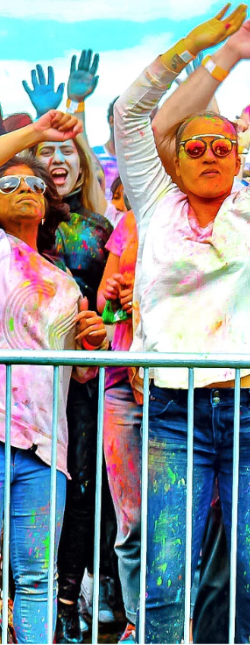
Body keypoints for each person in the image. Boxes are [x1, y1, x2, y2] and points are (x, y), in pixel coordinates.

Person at [113, 0, 250, 642]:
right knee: (165, 580)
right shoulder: (154, 205)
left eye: (221, 147)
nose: (208, 155)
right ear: (174, 162)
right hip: (172, 414)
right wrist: (207, 47)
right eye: (195, 147)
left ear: (239, 158)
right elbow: (129, 114)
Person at [0, 110, 106, 644]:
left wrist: (94, 342)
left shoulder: (64, 284)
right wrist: (36, 135)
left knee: (37, 576)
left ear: (47, 205)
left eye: (34, 185)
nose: (24, 190)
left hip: (45, 448)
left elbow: (80, 372)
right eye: (8, 184)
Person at [33, 109, 113, 643]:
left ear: (83, 168)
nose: (58, 160)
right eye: (47, 151)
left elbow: (116, 302)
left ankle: (67, 602)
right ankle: (27, 597)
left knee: (83, 488)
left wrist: (104, 324)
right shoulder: (15, 231)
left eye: (68, 152)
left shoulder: (99, 231)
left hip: (83, 382)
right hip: (28, 382)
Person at [97, 206, 141, 644]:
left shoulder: (207, 214)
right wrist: (113, 296)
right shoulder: (129, 223)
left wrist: (145, 299)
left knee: (180, 515)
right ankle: (135, 621)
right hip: (122, 386)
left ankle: (180, 622)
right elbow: (103, 307)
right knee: (130, 519)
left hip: (175, 387)